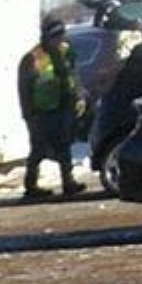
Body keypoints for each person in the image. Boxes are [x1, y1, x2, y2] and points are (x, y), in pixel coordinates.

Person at [18, 16, 87, 200]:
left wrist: (79, 95)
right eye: (56, 35)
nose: (60, 39)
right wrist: (28, 114)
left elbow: (74, 75)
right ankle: (31, 185)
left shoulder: (66, 51)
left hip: (64, 106)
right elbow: (24, 88)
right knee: (38, 149)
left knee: (64, 146)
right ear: (47, 36)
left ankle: (68, 182)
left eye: (61, 35)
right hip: (41, 111)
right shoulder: (33, 58)